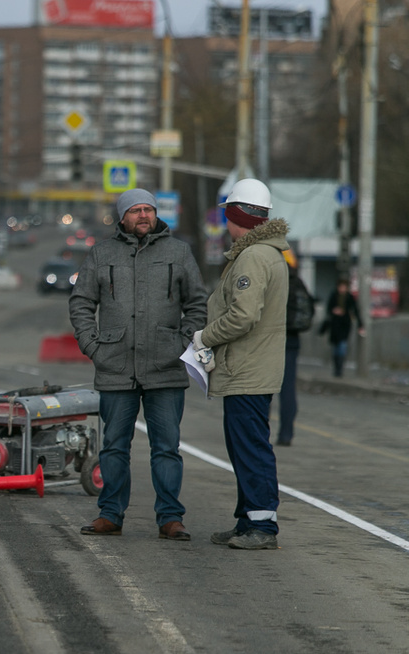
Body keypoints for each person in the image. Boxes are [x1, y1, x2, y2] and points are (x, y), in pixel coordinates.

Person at [69, 188, 208, 540]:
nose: (143, 215)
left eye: (148, 209)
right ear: (122, 217)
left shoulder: (179, 252)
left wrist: (182, 343)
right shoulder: (102, 253)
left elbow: (197, 304)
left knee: (167, 447)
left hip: (166, 367)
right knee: (114, 445)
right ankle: (110, 514)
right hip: (115, 366)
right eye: (135, 210)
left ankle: (170, 518)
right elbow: (81, 302)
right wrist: (92, 346)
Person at [196, 178, 289, 551]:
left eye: (227, 216)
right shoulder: (270, 253)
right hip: (253, 368)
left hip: (247, 370)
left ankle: (262, 527)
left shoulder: (252, 257)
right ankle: (247, 518)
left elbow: (243, 316)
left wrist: (204, 337)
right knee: (244, 446)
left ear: (238, 217)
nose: (224, 225)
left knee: (250, 448)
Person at [276, 251, 315, 445]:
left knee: (263, 387)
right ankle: (286, 434)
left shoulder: (274, 280)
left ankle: (260, 433)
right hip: (292, 340)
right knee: (288, 388)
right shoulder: (299, 283)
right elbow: (311, 309)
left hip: (272, 340)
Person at [319, 276, 365, 378]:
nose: (342, 289)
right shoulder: (333, 296)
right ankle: (337, 369)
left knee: (342, 347)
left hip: (345, 325)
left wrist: (360, 325)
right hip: (335, 325)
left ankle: (339, 369)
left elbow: (355, 311)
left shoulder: (349, 297)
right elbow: (328, 309)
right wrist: (334, 311)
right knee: (335, 348)